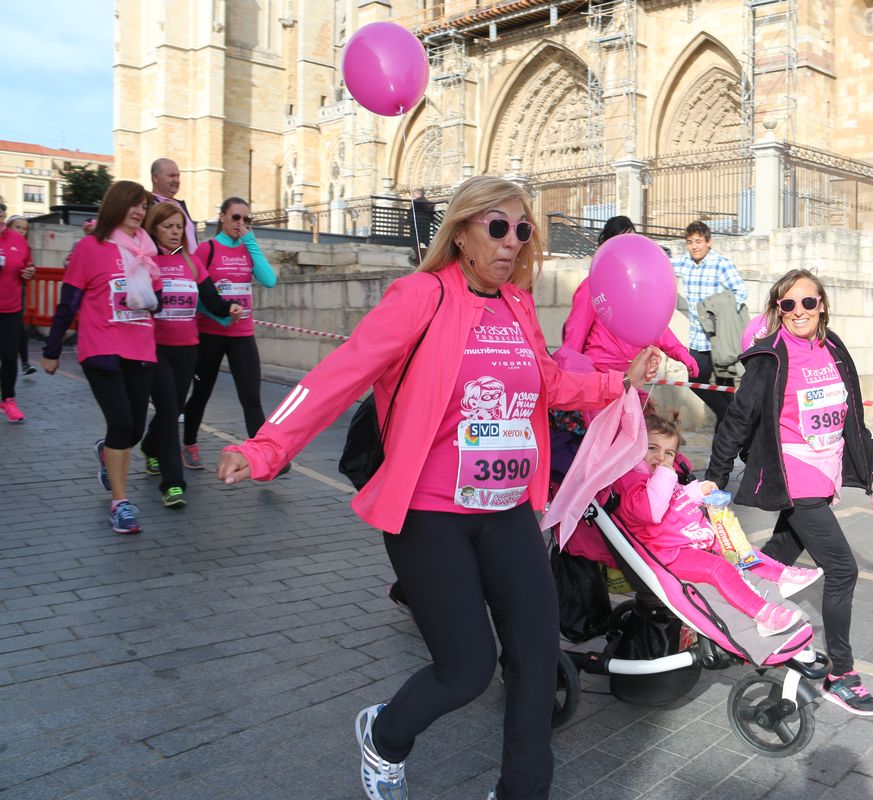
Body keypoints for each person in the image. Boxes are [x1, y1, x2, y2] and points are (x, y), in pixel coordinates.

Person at [216, 175, 660, 800]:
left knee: (535, 663)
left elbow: (550, 384)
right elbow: (340, 375)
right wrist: (266, 446)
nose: (512, 242)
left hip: (507, 511)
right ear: (462, 230)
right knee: (466, 669)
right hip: (430, 515)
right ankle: (385, 735)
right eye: (498, 227)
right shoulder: (420, 296)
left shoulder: (518, 305)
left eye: (523, 230)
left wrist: (620, 382)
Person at [705, 268, 873, 716]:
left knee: (774, 556)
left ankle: (726, 607)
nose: (799, 312)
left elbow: (849, 414)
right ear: (779, 309)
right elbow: (737, 419)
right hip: (793, 476)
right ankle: (841, 674)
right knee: (842, 569)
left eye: (808, 302)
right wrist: (714, 481)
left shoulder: (834, 349)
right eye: (789, 304)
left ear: (822, 306)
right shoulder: (769, 357)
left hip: (825, 468)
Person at [611, 411, 823, 635]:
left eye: (669, 452)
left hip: (691, 538)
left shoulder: (661, 478)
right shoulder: (631, 481)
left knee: (738, 547)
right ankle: (764, 615)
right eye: (652, 448)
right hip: (670, 554)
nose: (662, 458)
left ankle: (781, 575)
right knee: (718, 568)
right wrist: (665, 473)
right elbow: (651, 511)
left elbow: (677, 496)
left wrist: (699, 490)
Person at [41, 181, 163, 535]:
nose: (139, 211)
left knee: (134, 430)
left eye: (143, 206)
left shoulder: (147, 252)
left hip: (140, 347)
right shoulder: (90, 248)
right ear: (115, 206)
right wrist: (51, 351)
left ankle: (106, 451)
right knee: (122, 423)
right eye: (133, 205)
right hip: (102, 348)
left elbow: (154, 301)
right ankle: (120, 503)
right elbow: (68, 303)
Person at [142, 202, 243, 507]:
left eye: (178, 227)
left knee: (170, 410)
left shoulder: (191, 262)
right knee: (171, 411)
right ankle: (173, 484)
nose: (174, 232)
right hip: (155, 348)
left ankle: (149, 446)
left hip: (188, 349)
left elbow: (211, 299)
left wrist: (229, 308)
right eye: (167, 227)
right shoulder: (147, 259)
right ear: (154, 229)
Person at [181, 197, 277, 470]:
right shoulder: (206, 250)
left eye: (247, 220)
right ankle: (189, 443)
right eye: (236, 218)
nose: (241, 224)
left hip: (242, 335)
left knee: (251, 397)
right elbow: (196, 295)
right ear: (222, 217)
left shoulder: (248, 248)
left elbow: (269, 281)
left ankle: (263, 456)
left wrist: (251, 243)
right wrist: (220, 315)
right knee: (201, 393)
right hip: (210, 333)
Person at [561, 215, 698, 383]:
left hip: (633, 376)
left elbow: (652, 325)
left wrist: (680, 352)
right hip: (599, 378)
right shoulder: (592, 285)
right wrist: (567, 378)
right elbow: (576, 332)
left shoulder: (638, 286)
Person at [671, 220, 748, 429]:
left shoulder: (720, 263)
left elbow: (741, 292)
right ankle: (728, 417)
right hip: (698, 338)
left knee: (726, 388)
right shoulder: (685, 263)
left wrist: (716, 308)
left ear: (708, 242)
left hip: (719, 340)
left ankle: (726, 443)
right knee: (695, 378)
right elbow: (663, 263)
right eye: (690, 242)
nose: (694, 246)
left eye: (698, 241)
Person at [0, 205, 35, 422]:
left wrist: (29, 272)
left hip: (10, 308)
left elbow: (27, 267)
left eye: (1, 215)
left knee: (9, 356)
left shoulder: (17, 240)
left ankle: (9, 400)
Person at [4, 215, 37, 376]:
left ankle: (24, 362)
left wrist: (30, 271)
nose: (21, 231)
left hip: (14, 297)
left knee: (19, 330)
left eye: (24, 229)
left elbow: (29, 266)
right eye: (18, 227)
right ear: (7, 226)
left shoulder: (24, 246)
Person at [149, 158, 198, 252]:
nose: (176, 180)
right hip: (166, 265)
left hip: (190, 264)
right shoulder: (148, 206)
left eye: (178, 176)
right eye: (171, 176)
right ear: (155, 178)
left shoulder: (181, 205)